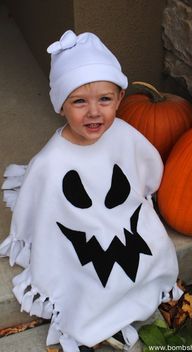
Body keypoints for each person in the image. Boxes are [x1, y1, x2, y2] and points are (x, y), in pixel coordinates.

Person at [0, 30, 182, 352]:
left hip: (121, 223)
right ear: (61, 107)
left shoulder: (125, 136)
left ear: (120, 100)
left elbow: (148, 173)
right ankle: (91, 316)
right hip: (82, 231)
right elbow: (38, 209)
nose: (94, 112)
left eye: (105, 100)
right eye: (79, 101)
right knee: (81, 274)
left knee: (150, 252)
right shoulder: (51, 162)